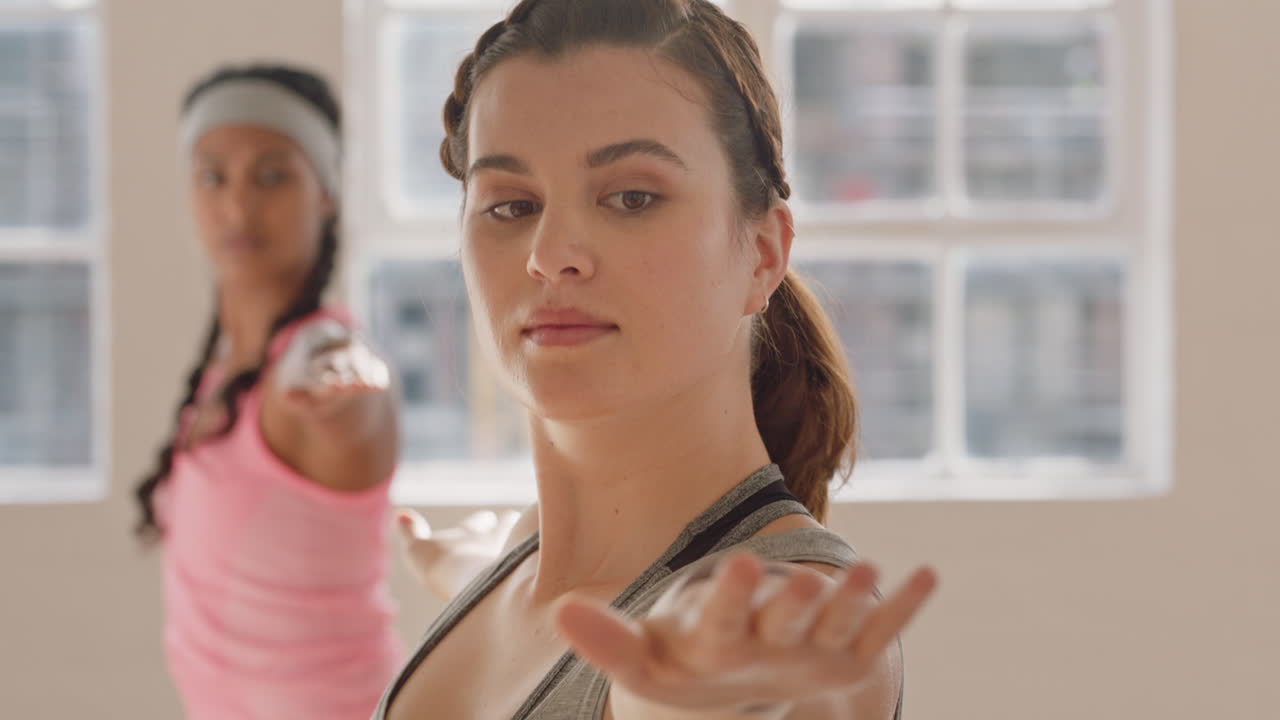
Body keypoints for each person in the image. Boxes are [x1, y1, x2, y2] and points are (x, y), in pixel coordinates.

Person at [374, 1, 938, 718]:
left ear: (762, 254)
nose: (550, 256)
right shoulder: (523, 555)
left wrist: (684, 697)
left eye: (632, 197)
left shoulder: (778, 619)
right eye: (511, 205)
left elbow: (747, 681)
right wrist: (461, 559)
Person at [133, 63, 405, 720]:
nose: (237, 205)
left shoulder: (319, 360)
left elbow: (343, 380)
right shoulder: (226, 368)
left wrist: (338, 380)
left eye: (273, 174)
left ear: (325, 194)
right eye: (213, 176)